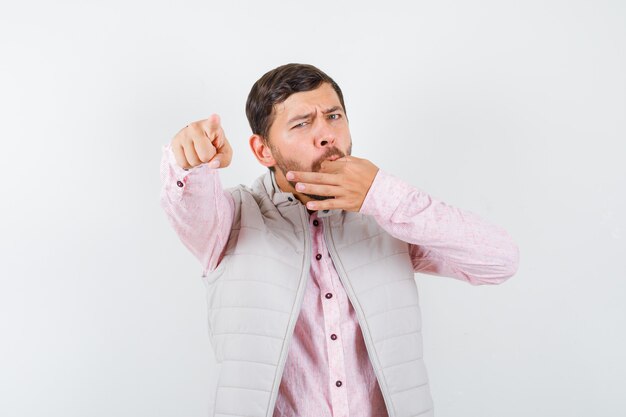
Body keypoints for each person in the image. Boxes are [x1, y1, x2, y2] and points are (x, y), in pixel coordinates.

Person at [159, 63, 520, 417]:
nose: (327, 135)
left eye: (334, 117)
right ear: (262, 150)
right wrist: (191, 160)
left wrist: (381, 194)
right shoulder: (230, 218)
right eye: (301, 123)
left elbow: (499, 260)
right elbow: (191, 203)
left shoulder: (387, 214)